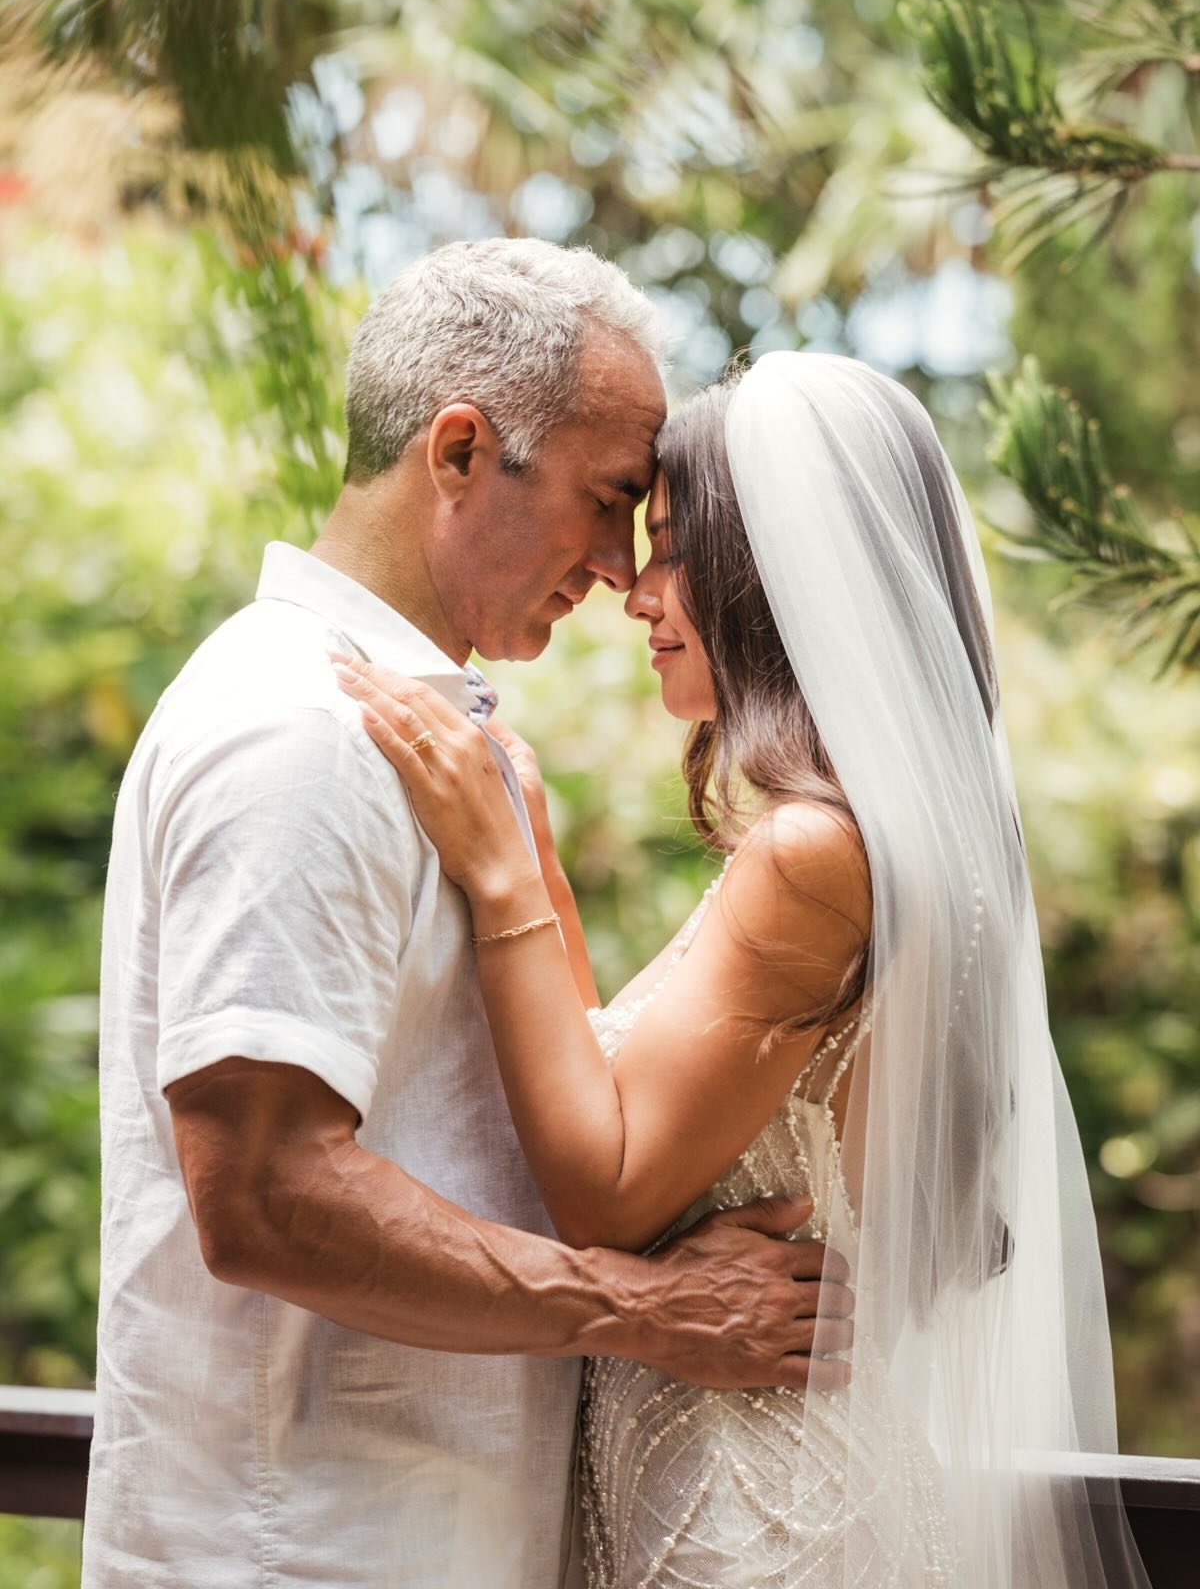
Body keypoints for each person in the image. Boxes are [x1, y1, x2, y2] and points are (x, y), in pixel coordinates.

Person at [81, 244, 851, 1589]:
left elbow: (528, 1134)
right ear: (457, 453)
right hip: (306, 1550)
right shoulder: (305, 736)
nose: (623, 569)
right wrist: (653, 1314)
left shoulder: (424, 744)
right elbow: (264, 1195)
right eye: (612, 501)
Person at [338, 352, 1153, 1588]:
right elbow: (644, 1110)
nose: (636, 591)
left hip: (751, 1514)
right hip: (751, 1473)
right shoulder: (865, 837)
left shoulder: (815, 854)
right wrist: (542, 861)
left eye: (670, 547)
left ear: (770, 577)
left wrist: (500, 878)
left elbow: (605, 1190)